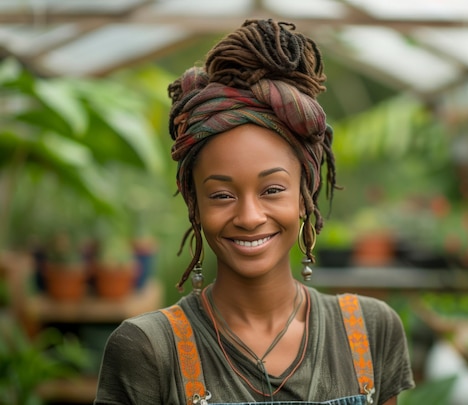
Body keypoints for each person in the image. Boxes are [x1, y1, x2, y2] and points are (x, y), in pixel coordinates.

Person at [94, 19, 415, 405]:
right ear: (193, 202)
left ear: (304, 193)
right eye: (222, 195)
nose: (249, 216)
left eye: (272, 190)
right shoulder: (148, 350)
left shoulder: (370, 330)